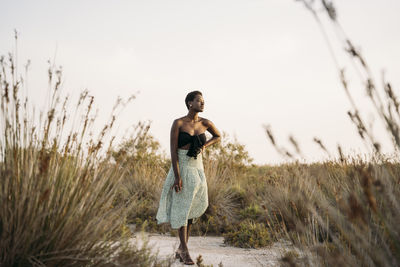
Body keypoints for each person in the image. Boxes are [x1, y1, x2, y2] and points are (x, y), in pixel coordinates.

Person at [156, 90, 221, 265]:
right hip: (182, 168)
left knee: (190, 211)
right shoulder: (178, 123)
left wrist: (205, 145)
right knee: (182, 210)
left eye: (203, 101)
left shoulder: (206, 123)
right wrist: (177, 177)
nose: (203, 103)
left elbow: (218, 136)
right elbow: (173, 151)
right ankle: (185, 251)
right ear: (189, 103)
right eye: (199, 101)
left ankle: (181, 249)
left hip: (198, 169)